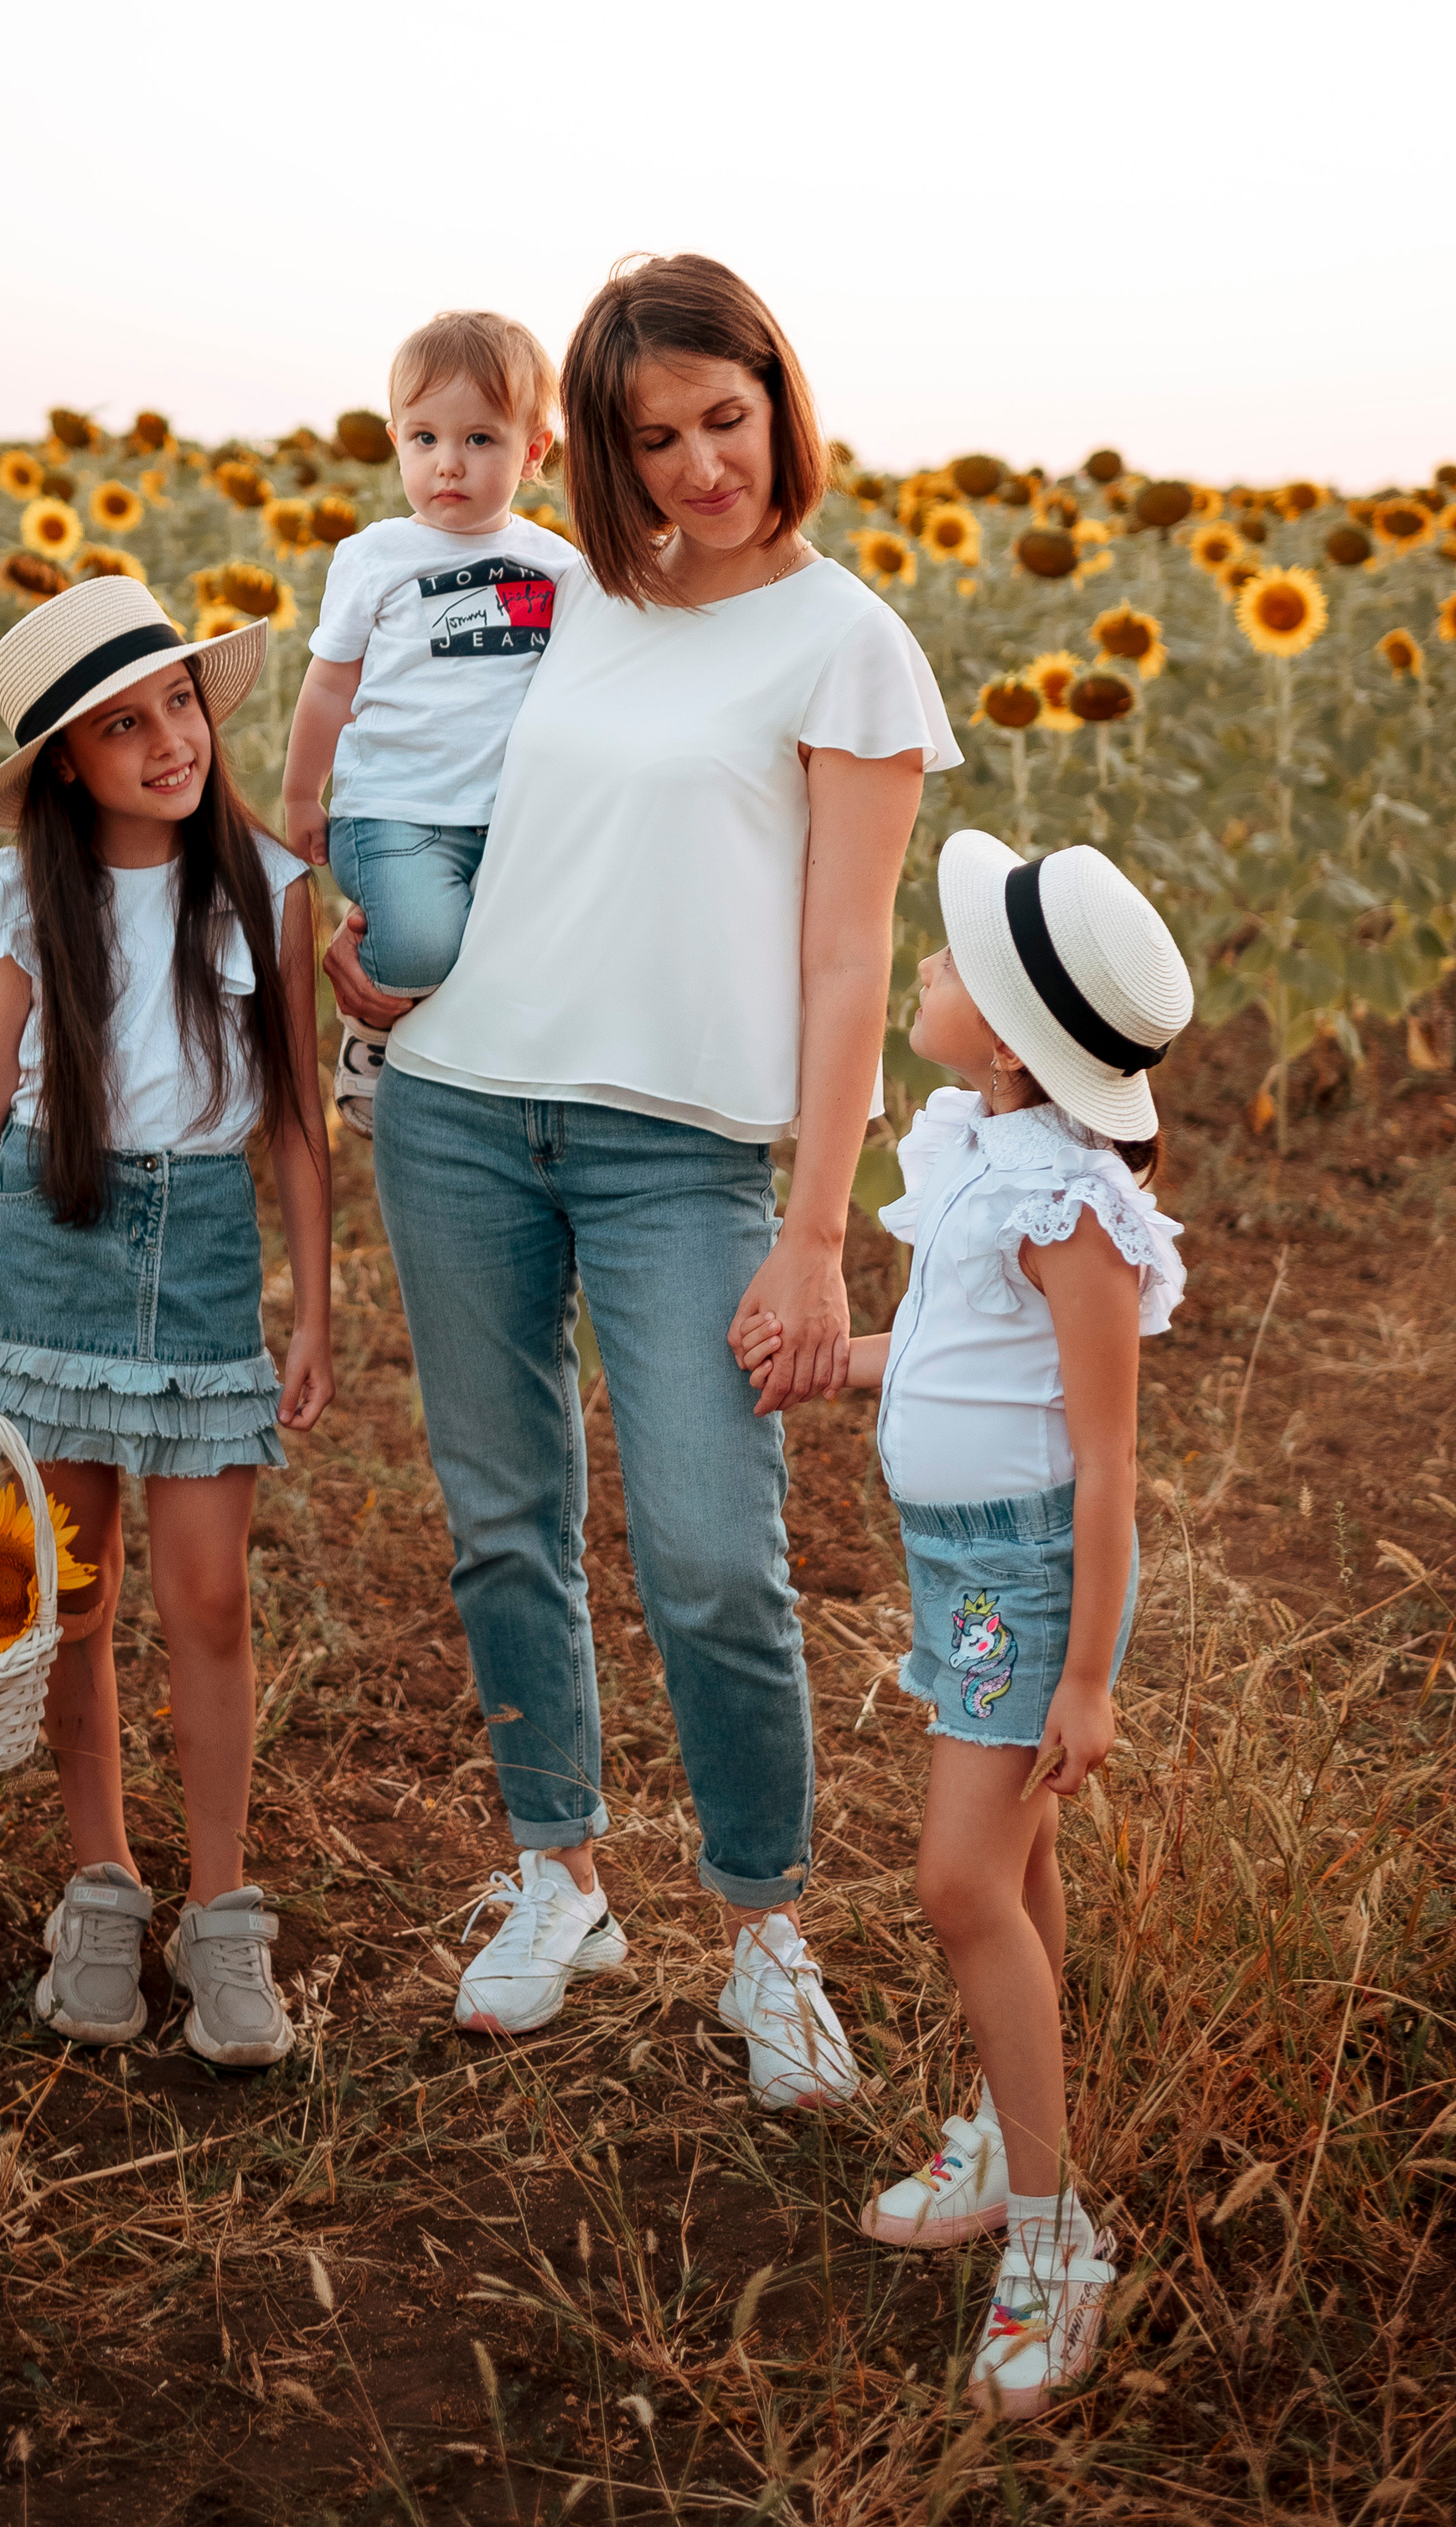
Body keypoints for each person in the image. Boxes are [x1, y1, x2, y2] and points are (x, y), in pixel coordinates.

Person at [323, 254, 960, 2106]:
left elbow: (849, 958)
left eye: (726, 420)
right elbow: (430, 776)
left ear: (782, 400)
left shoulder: (848, 641)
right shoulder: (566, 595)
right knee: (502, 1516)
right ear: (595, 449)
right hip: (455, 1105)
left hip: (685, 1149)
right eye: (654, 435)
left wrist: (822, 1232)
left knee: (710, 1552)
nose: (698, 467)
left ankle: (767, 1928)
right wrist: (392, 955)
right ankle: (561, 1872)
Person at [0, 576, 334, 2064]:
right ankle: (101, 1888)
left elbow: (300, 1124)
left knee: (208, 1602)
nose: (165, 742)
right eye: (121, 726)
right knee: (76, 1599)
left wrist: (311, 1309)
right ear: (67, 760)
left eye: (177, 704)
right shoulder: (16, 903)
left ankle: (224, 1908)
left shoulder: (266, 880)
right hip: (43, 1255)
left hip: (196, 1263)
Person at [743, 831, 1189, 2414]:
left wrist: (1085, 1676)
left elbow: (1103, 1453)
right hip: (953, 1565)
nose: (917, 969)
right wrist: (835, 1364)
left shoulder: (1072, 1205)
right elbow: (946, 1359)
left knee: (952, 1881)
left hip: (1022, 1585)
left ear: (1001, 1034)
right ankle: (1014, 2138)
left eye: (938, 963)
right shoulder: (972, 1149)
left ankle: (1061, 2228)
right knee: (1016, 1865)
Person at [282, 308, 574, 1134]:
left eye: (480, 439)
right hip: (395, 809)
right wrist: (305, 795)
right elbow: (330, 687)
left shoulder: (559, 567)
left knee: (504, 969)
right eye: (425, 439)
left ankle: (464, 1091)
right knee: (416, 947)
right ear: (396, 441)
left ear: (535, 448)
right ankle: (370, 1035)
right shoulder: (376, 556)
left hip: (509, 819)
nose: (449, 464)